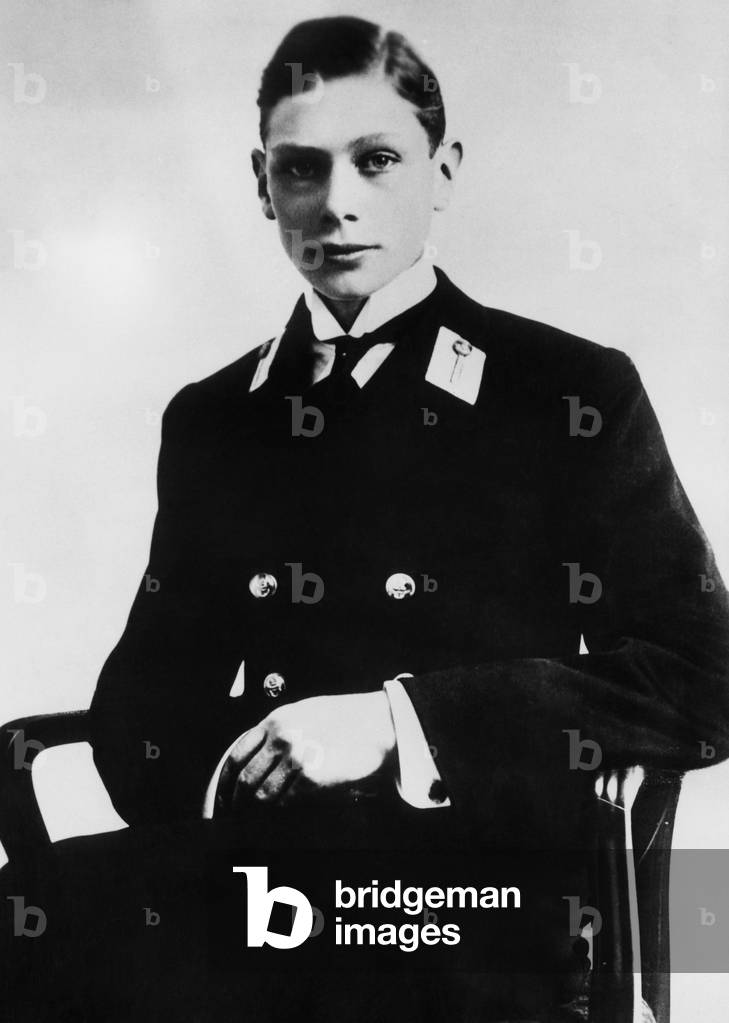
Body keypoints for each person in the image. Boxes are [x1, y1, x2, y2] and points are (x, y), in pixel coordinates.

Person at [2, 15, 728, 1023]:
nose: (337, 204)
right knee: (26, 929)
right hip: (263, 882)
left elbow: (703, 678)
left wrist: (399, 724)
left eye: (377, 161)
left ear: (442, 171)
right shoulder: (216, 418)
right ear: (263, 185)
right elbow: (145, 699)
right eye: (302, 168)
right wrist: (231, 769)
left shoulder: (565, 392)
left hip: (484, 895)